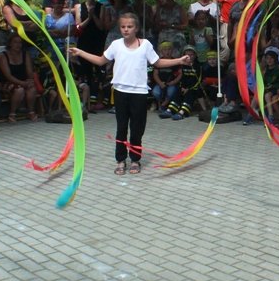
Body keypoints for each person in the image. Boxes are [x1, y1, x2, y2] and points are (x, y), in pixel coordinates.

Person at [70, 11, 190, 175]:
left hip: (139, 93)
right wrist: (81, 52)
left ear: (136, 28)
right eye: (123, 27)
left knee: (137, 129)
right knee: (121, 128)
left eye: (129, 26)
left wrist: (179, 60)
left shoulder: (146, 45)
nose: (126, 29)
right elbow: (100, 60)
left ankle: (135, 159)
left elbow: (158, 62)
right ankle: (120, 160)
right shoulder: (116, 45)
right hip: (120, 92)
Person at [0, 33, 40, 122]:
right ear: (10, 44)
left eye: (20, 43)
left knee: (32, 88)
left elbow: (29, 72)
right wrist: (22, 83)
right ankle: (12, 113)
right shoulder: (3, 56)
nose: (18, 45)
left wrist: (30, 81)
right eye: (15, 42)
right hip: (6, 82)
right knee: (19, 90)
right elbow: (8, 76)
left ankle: (31, 112)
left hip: (23, 81)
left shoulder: (25, 54)